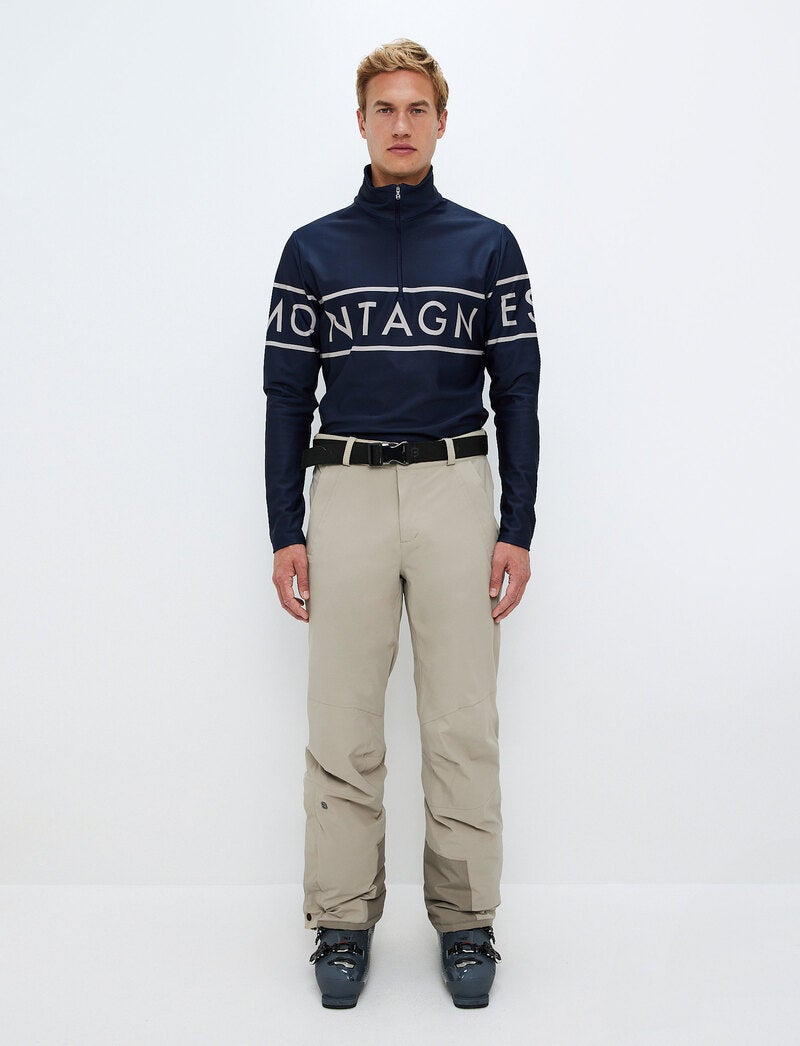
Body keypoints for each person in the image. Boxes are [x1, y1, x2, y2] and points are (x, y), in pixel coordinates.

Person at [262, 38, 540, 1009]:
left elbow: (517, 393)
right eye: (384, 107)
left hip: (454, 490)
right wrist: (284, 530)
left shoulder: (486, 246)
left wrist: (517, 525)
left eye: (417, 107)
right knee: (341, 719)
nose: (400, 124)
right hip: (342, 492)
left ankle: (466, 921)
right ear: (360, 121)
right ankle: (341, 921)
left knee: (461, 719)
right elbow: (285, 397)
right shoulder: (312, 250)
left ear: (441, 121)